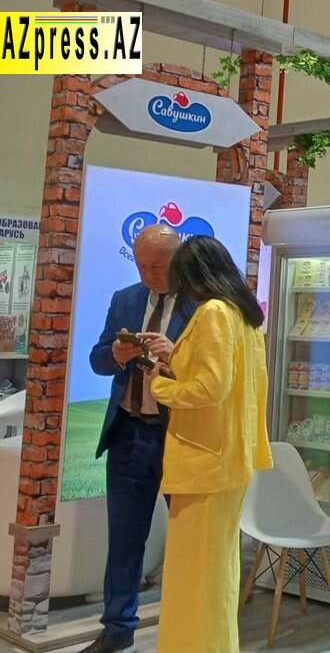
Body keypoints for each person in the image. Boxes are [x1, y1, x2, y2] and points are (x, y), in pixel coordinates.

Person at [146, 236, 272, 653]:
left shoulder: (215, 312)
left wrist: (161, 386)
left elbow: (209, 388)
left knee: (195, 578)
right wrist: (175, 362)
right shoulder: (244, 316)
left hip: (205, 463)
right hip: (228, 460)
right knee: (214, 575)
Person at [84, 224, 193, 653]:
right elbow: (96, 360)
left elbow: (214, 374)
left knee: (188, 539)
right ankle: (117, 629)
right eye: (142, 265)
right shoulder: (125, 299)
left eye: (158, 266)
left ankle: (186, 628)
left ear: (179, 260)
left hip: (180, 437)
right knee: (125, 540)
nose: (149, 275)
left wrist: (173, 354)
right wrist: (115, 354)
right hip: (128, 433)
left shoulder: (204, 306)